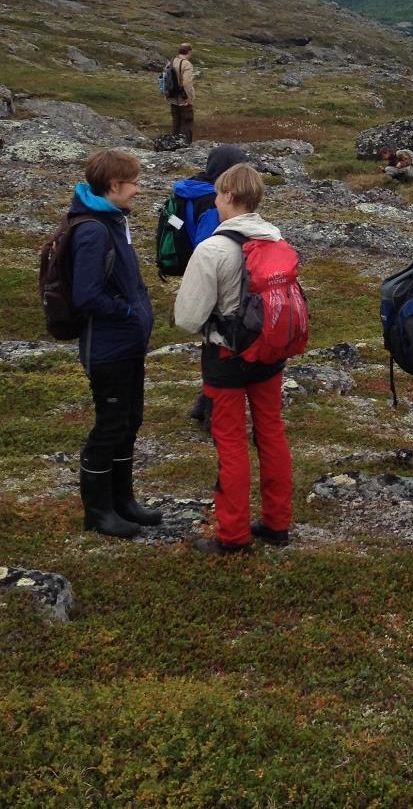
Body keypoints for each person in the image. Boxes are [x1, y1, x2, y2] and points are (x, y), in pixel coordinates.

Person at [174, 163, 293, 554]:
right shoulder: (277, 242)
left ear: (226, 196)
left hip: (225, 357)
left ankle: (233, 535)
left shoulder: (213, 249)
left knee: (230, 441)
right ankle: (277, 523)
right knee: (271, 433)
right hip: (269, 353)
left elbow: (187, 318)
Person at [71, 149, 158, 538]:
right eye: (134, 183)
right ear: (113, 185)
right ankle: (98, 512)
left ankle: (124, 501)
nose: (139, 190)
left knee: (129, 420)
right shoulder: (93, 230)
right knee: (109, 426)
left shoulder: (113, 220)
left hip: (127, 345)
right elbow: (85, 295)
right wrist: (126, 313)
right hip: (108, 349)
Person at [169, 143, 249, 431]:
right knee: (219, 343)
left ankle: (203, 404)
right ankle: (211, 412)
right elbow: (209, 244)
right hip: (212, 274)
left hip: (199, 268)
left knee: (211, 343)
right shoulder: (214, 202)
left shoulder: (192, 188)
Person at [166, 41, 196, 144]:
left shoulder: (171, 61)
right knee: (186, 123)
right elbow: (187, 83)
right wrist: (190, 98)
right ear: (189, 52)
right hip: (184, 100)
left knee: (176, 123)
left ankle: (173, 144)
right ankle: (184, 145)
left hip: (172, 98)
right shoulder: (186, 64)